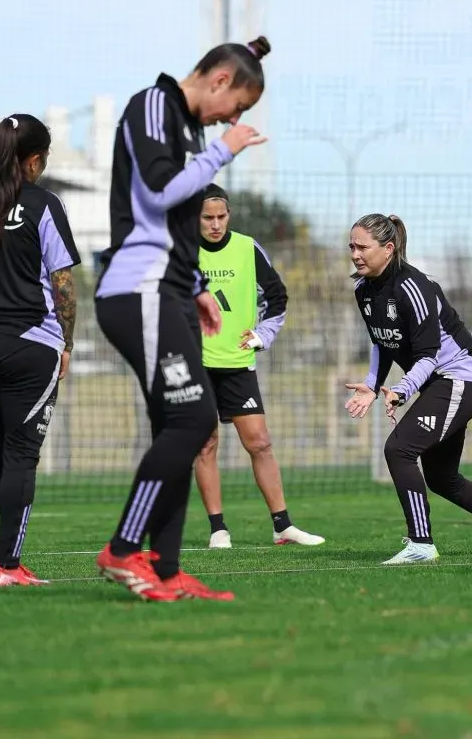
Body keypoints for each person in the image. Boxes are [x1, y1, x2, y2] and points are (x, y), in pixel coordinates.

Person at [94, 38, 270, 602]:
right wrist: (224, 149)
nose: (234, 119)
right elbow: (159, 188)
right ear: (218, 79)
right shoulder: (153, 103)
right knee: (195, 420)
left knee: (180, 424)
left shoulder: (188, 129)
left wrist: (194, 286)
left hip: (167, 291)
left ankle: (165, 570)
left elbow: (170, 221)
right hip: (138, 289)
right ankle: (123, 551)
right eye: (238, 106)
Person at [344, 213, 472, 565]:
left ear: (388, 249)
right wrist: (372, 385)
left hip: (463, 378)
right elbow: (382, 343)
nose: (355, 254)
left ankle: (421, 544)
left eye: (362, 247)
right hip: (438, 381)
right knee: (442, 477)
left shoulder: (413, 288)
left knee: (399, 449)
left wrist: (402, 390)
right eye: (351, 247)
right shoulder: (363, 289)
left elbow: (429, 355)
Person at [0, 114, 79, 587]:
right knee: (20, 456)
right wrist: (67, 343)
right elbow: (63, 284)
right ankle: (8, 569)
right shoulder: (42, 203)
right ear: (34, 160)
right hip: (29, 346)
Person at [194, 184, 325, 548]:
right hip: (197, 364)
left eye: (222, 217)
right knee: (205, 445)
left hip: (238, 363)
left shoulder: (247, 248)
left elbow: (278, 297)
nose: (216, 224)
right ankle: (218, 530)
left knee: (260, 443)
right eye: (208, 218)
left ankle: (283, 526)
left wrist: (262, 334)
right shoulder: (182, 252)